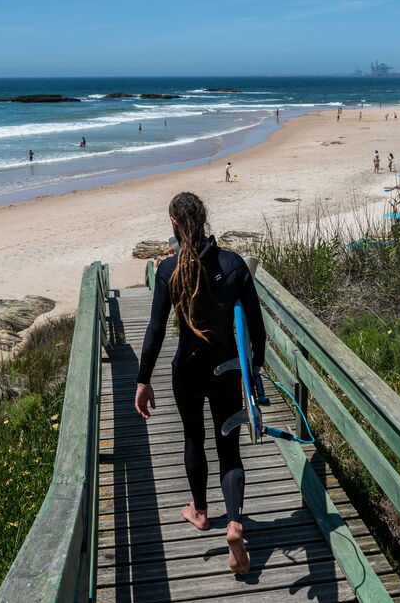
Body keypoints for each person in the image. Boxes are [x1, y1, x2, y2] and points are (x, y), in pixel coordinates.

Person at [134, 192, 265, 575]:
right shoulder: (234, 264)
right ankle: (235, 523)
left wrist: (143, 380)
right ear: (205, 219)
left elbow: (156, 330)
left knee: (194, 438)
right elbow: (257, 330)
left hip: (187, 371)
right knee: (230, 448)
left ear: (174, 222)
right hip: (227, 371)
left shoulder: (168, 269)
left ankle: (201, 512)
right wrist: (254, 369)